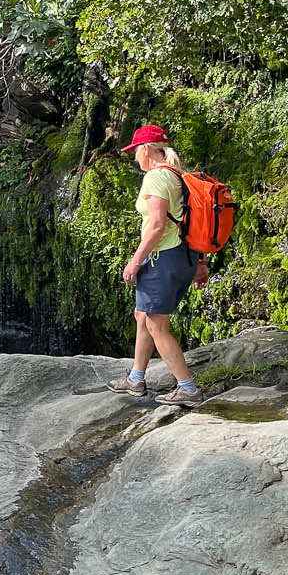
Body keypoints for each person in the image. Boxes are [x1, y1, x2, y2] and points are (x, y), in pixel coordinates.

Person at [107, 122, 209, 404]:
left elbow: (156, 225)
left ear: (147, 149)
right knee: (143, 316)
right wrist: (201, 262)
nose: (134, 156)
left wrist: (134, 262)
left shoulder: (155, 178)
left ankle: (188, 389)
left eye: (135, 151)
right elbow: (192, 221)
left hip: (162, 258)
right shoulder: (178, 175)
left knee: (156, 324)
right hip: (183, 256)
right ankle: (135, 380)